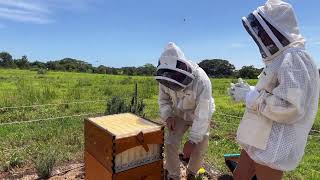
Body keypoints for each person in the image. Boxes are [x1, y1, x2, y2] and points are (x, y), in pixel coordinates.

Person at [229, 0, 320, 179]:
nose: (261, 38)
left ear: (277, 30)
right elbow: (277, 92)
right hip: (257, 138)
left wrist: (250, 96)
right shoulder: (281, 58)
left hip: (272, 145)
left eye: (263, 33)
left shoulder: (295, 58)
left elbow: (289, 107)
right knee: (239, 176)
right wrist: (252, 90)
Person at [155, 42, 215, 180]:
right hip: (178, 113)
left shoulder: (202, 80)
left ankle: (192, 173)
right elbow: (164, 100)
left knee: (200, 146)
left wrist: (192, 141)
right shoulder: (165, 77)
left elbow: (203, 114)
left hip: (199, 114)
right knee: (170, 142)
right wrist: (168, 116)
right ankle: (173, 175)